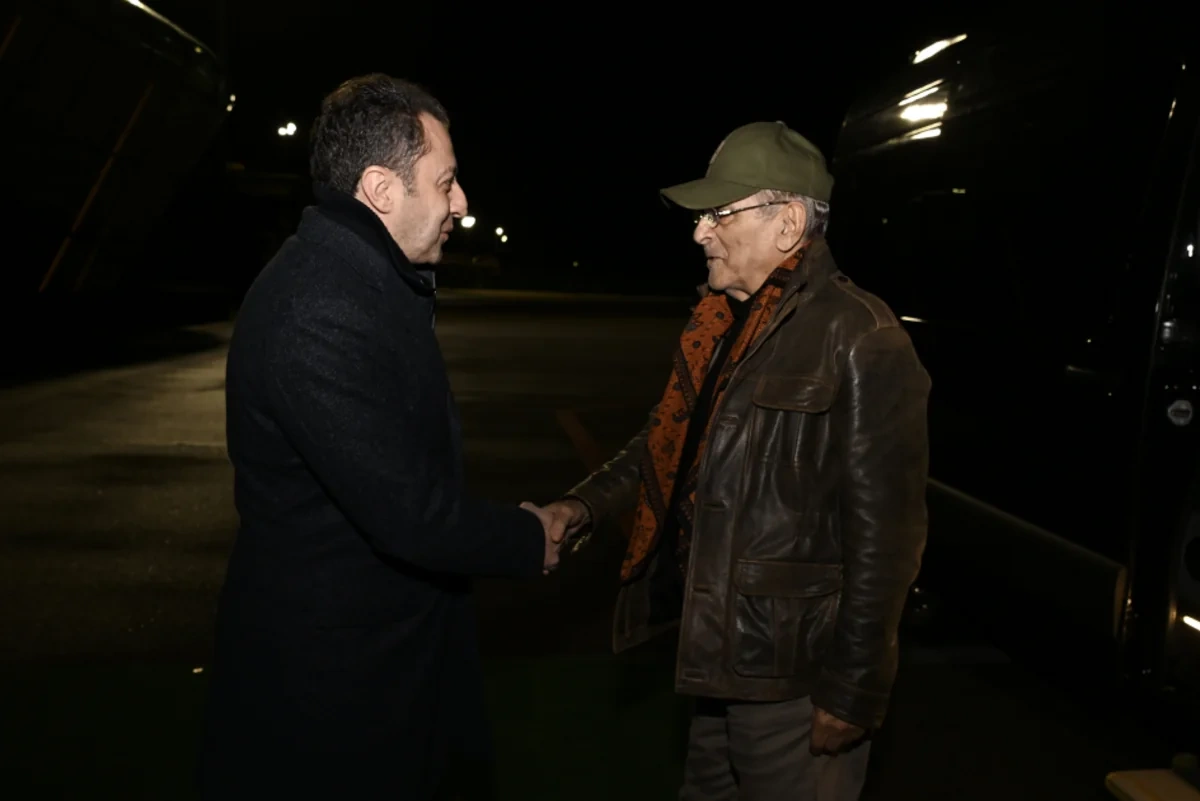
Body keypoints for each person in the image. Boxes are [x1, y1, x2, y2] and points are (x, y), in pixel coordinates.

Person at [533, 121, 931, 800]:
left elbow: (887, 539)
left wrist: (855, 686)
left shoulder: (862, 336)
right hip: (718, 659)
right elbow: (668, 441)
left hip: (794, 678)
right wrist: (582, 505)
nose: (700, 232)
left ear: (788, 223)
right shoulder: (723, 323)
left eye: (721, 213)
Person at [198, 74, 563, 801]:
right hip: (333, 694)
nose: (461, 203)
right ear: (381, 189)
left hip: (378, 666)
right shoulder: (320, 307)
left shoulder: (361, 277)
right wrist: (530, 537)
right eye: (446, 182)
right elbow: (409, 512)